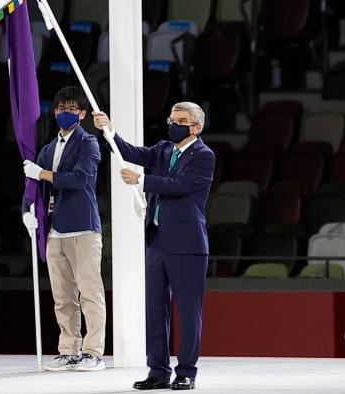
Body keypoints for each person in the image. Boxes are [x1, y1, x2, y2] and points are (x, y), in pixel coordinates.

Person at [93, 103, 215, 392]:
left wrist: (142, 180)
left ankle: (186, 372)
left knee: (188, 312)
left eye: (180, 121)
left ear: (196, 127)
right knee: (156, 310)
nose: (173, 124)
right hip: (157, 241)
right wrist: (108, 130)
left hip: (187, 244)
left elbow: (180, 185)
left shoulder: (204, 156)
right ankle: (158, 371)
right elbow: (130, 152)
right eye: (171, 119)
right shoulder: (163, 149)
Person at [21, 86, 106, 372]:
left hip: (83, 228)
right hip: (54, 230)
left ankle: (93, 352)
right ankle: (69, 350)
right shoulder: (48, 148)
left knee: (90, 293)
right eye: (60, 109)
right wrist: (26, 211)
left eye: (71, 109)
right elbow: (32, 184)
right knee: (63, 296)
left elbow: (80, 179)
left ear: (82, 114)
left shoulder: (88, 144)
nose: (64, 113)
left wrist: (43, 173)